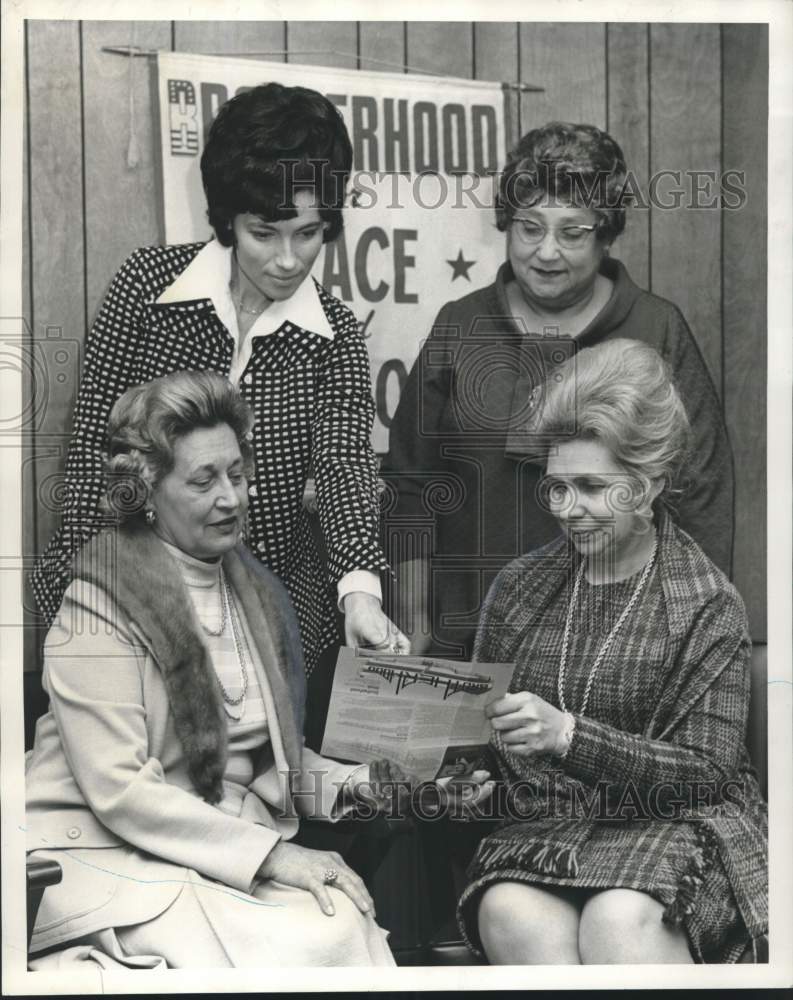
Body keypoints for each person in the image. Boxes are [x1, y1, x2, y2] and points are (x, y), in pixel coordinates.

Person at [31, 82, 408, 692]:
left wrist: (360, 594)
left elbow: (345, 467)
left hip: (271, 629)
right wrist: (74, 606)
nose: (288, 260)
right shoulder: (146, 288)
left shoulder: (335, 332)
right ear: (228, 218)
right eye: (265, 232)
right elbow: (90, 462)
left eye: (308, 234)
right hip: (132, 614)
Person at [25, 371, 399, 970]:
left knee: (340, 916)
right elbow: (120, 790)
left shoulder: (256, 592)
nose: (232, 497)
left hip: (217, 850)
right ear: (145, 491)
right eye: (204, 481)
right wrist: (273, 856)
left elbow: (266, 761)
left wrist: (362, 785)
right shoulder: (96, 603)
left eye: (237, 474)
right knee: (309, 940)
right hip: (106, 853)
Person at [455, 340, 767, 965]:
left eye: (593, 487)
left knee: (620, 918)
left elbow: (706, 774)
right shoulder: (520, 588)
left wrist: (570, 737)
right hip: (547, 826)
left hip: (677, 827)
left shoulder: (705, 602)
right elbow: (477, 737)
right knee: (509, 911)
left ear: (648, 484)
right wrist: (463, 780)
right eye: (557, 489)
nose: (569, 511)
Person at [382, 121, 733, 661]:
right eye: (529, 228)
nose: (546, 252)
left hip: (615, 649)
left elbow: (702, 497)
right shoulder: (460, 324)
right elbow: (409, 486)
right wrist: (414, 620)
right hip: (468, 639)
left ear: (606, 234)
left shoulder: (656, 327)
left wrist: (681, 638)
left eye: (572, 232)